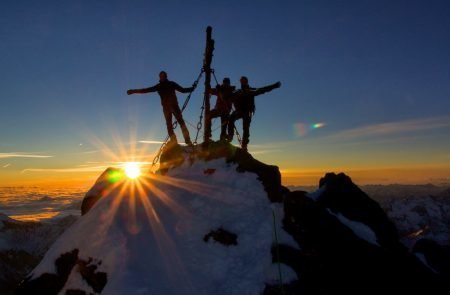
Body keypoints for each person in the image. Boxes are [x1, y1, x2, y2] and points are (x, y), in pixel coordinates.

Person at [127, 71, 194, 145]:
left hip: (174, 106)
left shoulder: (171, 84)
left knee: (181, 122)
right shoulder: (159, 86)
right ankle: (174, 141)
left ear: (166, 76)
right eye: (161, 76)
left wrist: (191, 88)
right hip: (166, 108)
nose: (162, 77)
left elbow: (182, 90)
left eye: (163, 76)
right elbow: (145, 90)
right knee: (169, 125)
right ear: (160, 77)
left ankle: (187, 140)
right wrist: (133, 91)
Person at [228, 76, 281, 151]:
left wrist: (273, 86)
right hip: (239, 111)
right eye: (241, 81)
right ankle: (230, 136)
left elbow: (263, 90)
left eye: (244, 81)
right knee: (231, 118)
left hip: (247, 111)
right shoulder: (238, 91)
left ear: (246, 82)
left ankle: (244, 145)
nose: (242, 82)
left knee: (245, 127)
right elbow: (228, 96)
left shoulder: (251, 90)